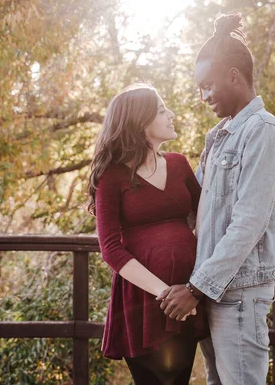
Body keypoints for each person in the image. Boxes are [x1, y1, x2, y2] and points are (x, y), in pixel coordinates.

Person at [157, 13, 275, 384]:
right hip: (212, 293)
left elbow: (249, 222)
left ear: (234, 76)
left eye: (207, 86)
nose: (203, 98)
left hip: (238, 296)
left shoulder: (263, 132)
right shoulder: (219, 137)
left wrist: (195, 288)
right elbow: (191, 208)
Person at [88, 84, 209, 385]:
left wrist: (192, 290)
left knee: (178, 379)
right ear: (140, 123)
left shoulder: (179, 164)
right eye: (161, 110)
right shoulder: (111, 176)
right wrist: (167, 294)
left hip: (188, 295)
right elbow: (111, 249)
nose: (171, 115)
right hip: (144, 300)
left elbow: (208, 217)